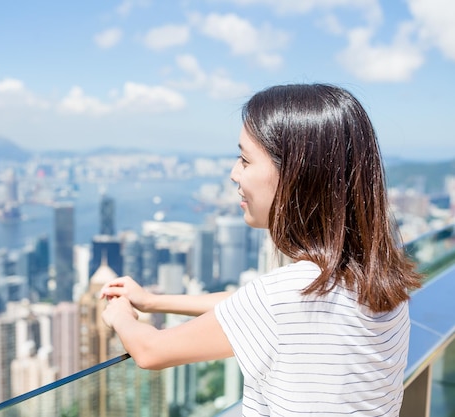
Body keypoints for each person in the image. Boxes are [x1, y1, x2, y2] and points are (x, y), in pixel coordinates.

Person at [100, 83, 423, 416]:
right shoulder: (378, 281)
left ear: (295, 175)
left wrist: (121, 315)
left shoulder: (286, 297)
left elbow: (150, 350)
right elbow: (252, 306)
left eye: (244, 159)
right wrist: (155, 301)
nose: (233, 173)